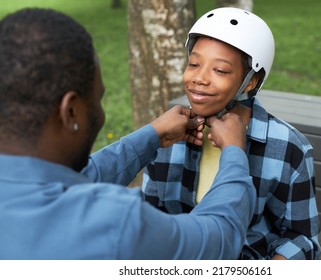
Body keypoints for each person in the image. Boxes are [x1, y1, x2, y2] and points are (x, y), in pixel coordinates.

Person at [0, 7, 257, 260]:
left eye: (220, 70)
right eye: (98, 100)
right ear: (71, 112)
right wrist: (234, 151)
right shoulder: (113, 223)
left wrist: (153, 135)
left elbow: (73, 178)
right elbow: (217, 240)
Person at [142, 7, 321, 260]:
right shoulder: (167, 134)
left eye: (220, 70)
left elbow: (301, 238)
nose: (199, 78)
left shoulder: (289, 149)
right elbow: (148, 215)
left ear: (250, 81)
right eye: (194, 64)